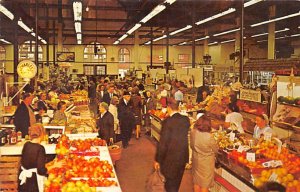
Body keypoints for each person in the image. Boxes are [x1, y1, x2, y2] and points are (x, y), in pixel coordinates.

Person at [154, 98, 190, 192]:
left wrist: (157, 159)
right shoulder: (186, 120)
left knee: (169, 185)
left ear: (169, 108)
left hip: (169, 159)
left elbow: (163, 143)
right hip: (182, 157)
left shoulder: (167, 122)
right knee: (177, 182)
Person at [19, 123, 64, 192]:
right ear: (42, 134)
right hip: (34, 183)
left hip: (26, 182)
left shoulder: (26, 144)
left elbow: (32, 163)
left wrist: (50, 162)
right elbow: (41, 170)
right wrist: (54, 165)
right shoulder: (40, 148)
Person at [191, 115, 218, 192]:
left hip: (196, 160)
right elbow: (216, 149)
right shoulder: (209, 136)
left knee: (196, 182)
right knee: (204, 185)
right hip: (206, 164)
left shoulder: (193, 132)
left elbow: (192, 145)